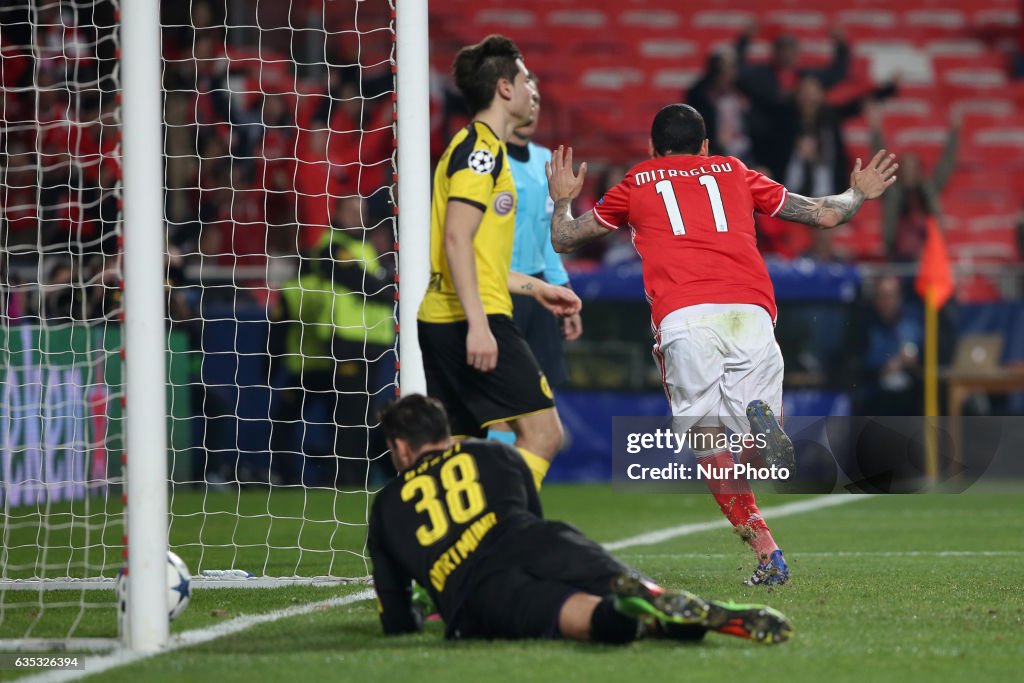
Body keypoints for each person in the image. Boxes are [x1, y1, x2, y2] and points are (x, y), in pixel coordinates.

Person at [546, 104, 897, 585]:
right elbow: (823, 214)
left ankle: (765, 545)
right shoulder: (734, 171)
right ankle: (766, 533)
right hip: (750, 315)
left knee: (706, 443)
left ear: (653, 149)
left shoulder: (636, 181)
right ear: (706, 147)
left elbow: (566, 237)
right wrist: (858, 193)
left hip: (686, 319)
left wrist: (562, 199)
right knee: (751, 440)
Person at [368, 394, 792, 645]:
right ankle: (660, 600)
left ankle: (628, 615)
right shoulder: (493, 453)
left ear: (402, 448)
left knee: (589, 620)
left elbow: (397, 620)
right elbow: (529, 516)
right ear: (444, 434)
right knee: (613, 582)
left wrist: (421, 610)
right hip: (539, 541)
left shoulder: (387, 506)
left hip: (480, 587)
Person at [417, 35, 581, 489]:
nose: (534, 90)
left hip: (452, 315)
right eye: (527, 79)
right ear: (505, 89)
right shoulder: (481, 151)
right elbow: (456, 238)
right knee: (544, 434)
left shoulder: (482, 147)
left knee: (460, 450)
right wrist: (478, 324)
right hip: (473, 316)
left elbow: (477, 256)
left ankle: (454, 544)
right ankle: (500, 529)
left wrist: (537, 287)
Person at [489, 78, 581, 447]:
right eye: (529, 97)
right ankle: (496, 488)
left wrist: (563, 290)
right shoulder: (486, 158)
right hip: (497, 286)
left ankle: (517, 491)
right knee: (499, 397)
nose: (534, 106)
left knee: (539, 399)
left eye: (539, 100)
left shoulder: (548, 161)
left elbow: (551, 235)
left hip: (541, 287)